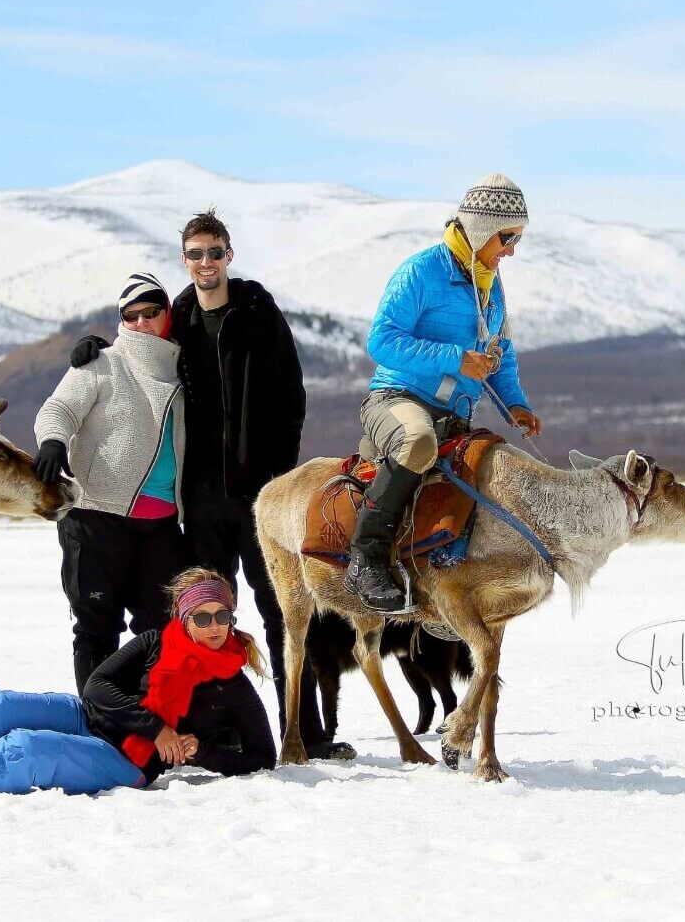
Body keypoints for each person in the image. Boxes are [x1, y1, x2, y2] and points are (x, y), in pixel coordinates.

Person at [73, 210, 350, 758]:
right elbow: (140, 344)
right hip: (201, 503)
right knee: (206, 617)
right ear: (185, 259)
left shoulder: (257, 310)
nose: (206, 262)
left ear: (229, 254)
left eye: (214, 252)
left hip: (260, 497)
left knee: (281, 610)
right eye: (196, 253)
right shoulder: (178, 316)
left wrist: (278, 477)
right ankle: (217, 727)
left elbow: (292, 395)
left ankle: (307, 732)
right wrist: (93, 348)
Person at [0, 567, 274, 795]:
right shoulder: (154, 642)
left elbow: (262, 756)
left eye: (222, 617)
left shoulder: (233, 685)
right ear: (184, 618)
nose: (214, 627)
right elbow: (96, 686)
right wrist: (156, 727)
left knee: (27, 750)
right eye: (202, 617)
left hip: (126, 761)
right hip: (87, 715)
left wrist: (199, 751)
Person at [348, 174, 544, 613]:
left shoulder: (491, 286)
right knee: (418, 443)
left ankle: (445, 579)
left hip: (454, 414)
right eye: (506, 237)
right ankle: (366, 558)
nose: (511, 250)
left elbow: (500, 354)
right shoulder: (422, 271)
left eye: (517, 239)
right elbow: (380, 340)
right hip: (398, 400)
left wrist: (515, 403)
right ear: (480, 230)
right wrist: (454, 357)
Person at [35, 273, 188, 693]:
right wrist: (52, 442)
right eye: (131, 315)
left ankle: (147, 727)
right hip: (95, 516)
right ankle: (98, 729)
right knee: (96, 627)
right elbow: (59, 408)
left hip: (162, 526)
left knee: (157, 631)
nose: (141, 323)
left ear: (166, 315)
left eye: (150, 313)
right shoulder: (102, 362)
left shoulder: (185, 368)